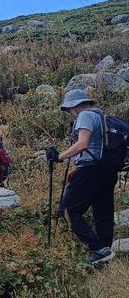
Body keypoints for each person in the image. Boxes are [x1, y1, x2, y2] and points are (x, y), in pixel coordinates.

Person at [46, 89, 118, 264]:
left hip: (90, 171)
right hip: (107, 170)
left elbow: (83, 143)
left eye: (69, 109)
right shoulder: (100, 115)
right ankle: (105, 252)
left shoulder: (85, 116)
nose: (70, 113)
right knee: (103, 213)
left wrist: (59, 157)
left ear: (76, 106)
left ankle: (98, 249)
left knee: (69, 210)